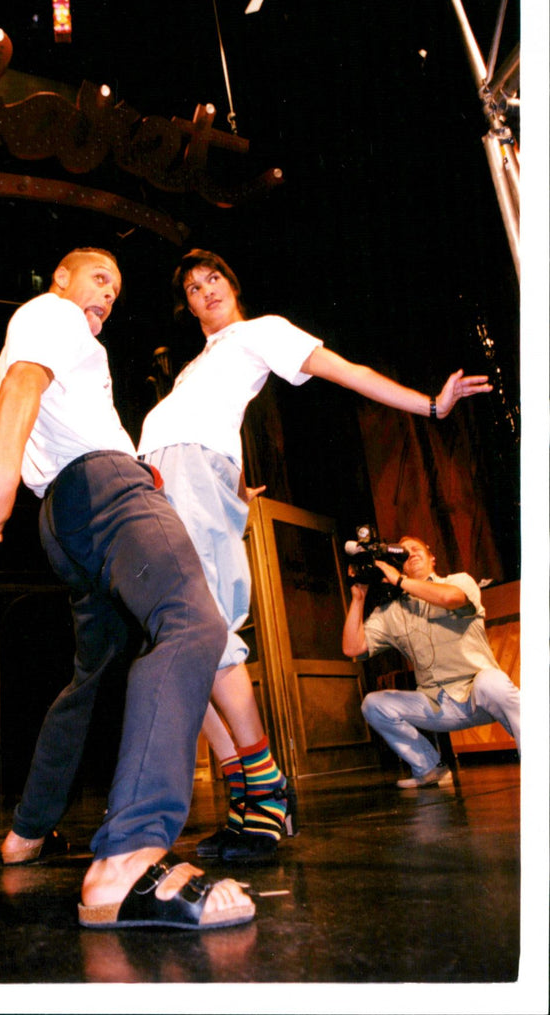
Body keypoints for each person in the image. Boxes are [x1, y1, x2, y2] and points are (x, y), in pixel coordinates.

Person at [0, 246, 254, 930]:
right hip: (105, 487)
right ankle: (129, 855)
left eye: (115, 287)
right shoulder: (53, 315)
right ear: (61, 278)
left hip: (62, 522)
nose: (106, 294)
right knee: (195, 624)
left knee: (92, 675)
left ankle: (27, 830)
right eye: (98, 277)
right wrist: (9, 478)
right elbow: (21, 391)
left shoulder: (16, 355)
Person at [136, 248, 493, 861]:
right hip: (164, 477)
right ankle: (247, 796)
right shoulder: (198, 364)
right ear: (187, 306)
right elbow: (221, 423)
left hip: (191, 471)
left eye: (213, 278)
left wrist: (430, 406)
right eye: (192, 288)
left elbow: (346, 370)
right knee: (174, 642)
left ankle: (265, 793)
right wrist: (238, 482)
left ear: (233, 284)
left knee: (200, 631)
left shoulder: (261, 332)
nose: (204, 291)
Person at [341, 535, 520, 786]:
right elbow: (352, 647)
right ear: (399, 563)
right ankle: (428, 768)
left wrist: (399, 580)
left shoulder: (458, 581)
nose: (411, 553)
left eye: (416, 548)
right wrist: (358, 599)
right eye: (404, 553)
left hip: (481, 695)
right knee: (373, 704)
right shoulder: (391, 611)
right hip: (437, 705)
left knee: (492, 682)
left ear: (431, 557)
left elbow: (450, 599)